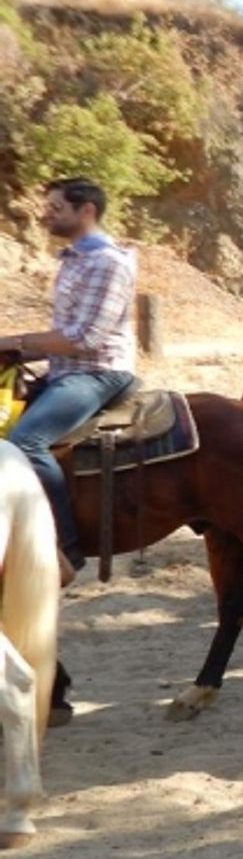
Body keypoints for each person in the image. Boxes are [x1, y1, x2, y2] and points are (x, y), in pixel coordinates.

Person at [0, 178, 136, 579]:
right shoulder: (74, 259)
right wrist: (18, 352)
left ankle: (63, 546)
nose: (47, 214)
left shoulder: (107, 263)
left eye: (56, 207)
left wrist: (14, 340)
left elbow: (85, 338)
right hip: (66, 370)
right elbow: (65, 336)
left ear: (86, 210)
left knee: (26, 441)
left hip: (99, 373)